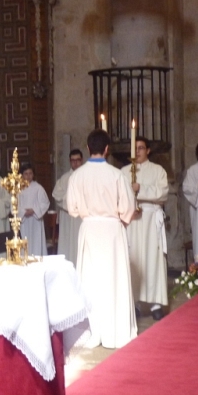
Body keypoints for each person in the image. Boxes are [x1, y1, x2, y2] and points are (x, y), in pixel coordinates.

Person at [67, 129, 136, 349]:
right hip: (112, 230)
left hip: (89, 228)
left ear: (88, 148)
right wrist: (120, 219)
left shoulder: (77, 175)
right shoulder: (117, 175)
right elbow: (128, 208)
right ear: (107, 149)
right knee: (114, 279)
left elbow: (72, 209)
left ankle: (92, 332)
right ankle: (115, 332)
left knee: (90, 281)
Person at [121, 137, 169, 320]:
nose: (138, 151)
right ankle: (136, 303)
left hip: (150, 219)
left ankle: (156, 303)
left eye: (141, 148)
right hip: (132, 220)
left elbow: (162, 193)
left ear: (148, 150)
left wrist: (140, 189)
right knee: (135, 260)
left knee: (153, 260)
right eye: (135, 148)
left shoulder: (158, 170)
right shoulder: (124, 172)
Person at [52, 149, 83, 266]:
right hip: (68, 216)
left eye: (78, 160)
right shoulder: (65, 178)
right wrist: (70, 200)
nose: (75, 163)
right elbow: (56, 195)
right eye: (73, 160)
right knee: (68, 242)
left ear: (82, 160)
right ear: (70, 161)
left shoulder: (86, 175)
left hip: (82, 216)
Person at [18, 163, 50, 256]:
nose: (28, 176)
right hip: (23, 220)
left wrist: (34, 210)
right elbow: (14, 204)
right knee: (24, 239)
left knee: (36, 241)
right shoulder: (18, 188)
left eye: (30, 173)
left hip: (35, 220)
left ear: (33, 174)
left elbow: (45, 203)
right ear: (22, 175)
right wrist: (23, 212)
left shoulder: (38, 188)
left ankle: (37, 257)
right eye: (26, 174)